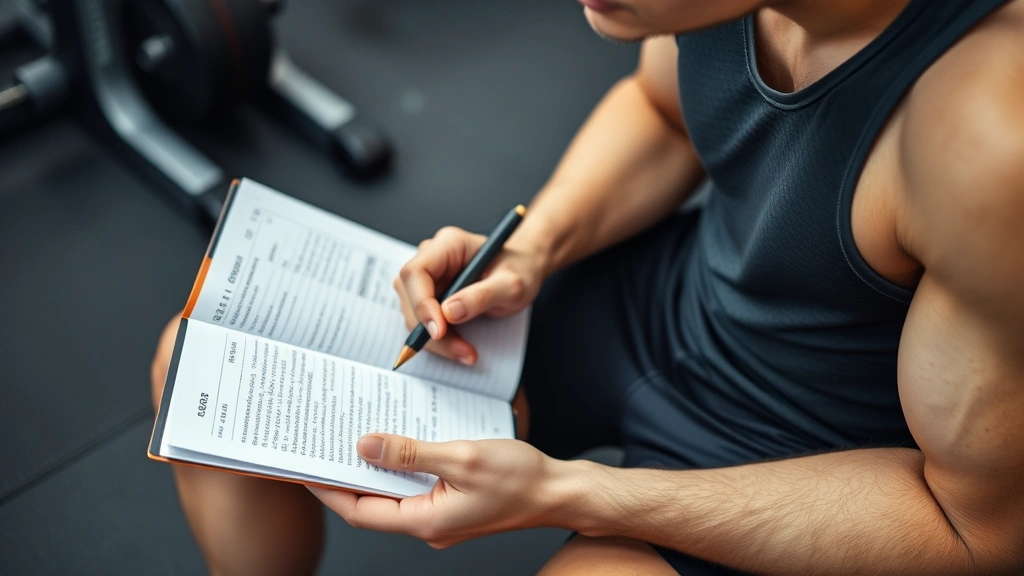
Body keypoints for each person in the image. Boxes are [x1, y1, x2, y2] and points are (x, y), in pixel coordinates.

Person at [150, 0, 1024, 573]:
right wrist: (536, 248)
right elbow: (662, 111)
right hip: (667, 305)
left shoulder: (986, 135)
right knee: (207, 373)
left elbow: (972, 532)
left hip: (821, 457)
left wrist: (574, 495)